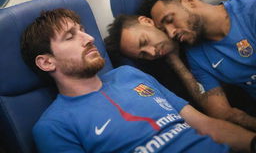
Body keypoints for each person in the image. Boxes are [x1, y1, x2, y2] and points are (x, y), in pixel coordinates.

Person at [20, 8, 256, 153]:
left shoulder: (129, 75)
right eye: (71, 37)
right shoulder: (53, 126)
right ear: (47, 62)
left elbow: (207, 125)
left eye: (83, 30)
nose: (89, 38)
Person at [136, 0, 256, 132]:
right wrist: (173, 57)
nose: (171, 33)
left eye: (170, 20)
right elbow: (221, 113)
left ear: (188, 0)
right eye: (164, 30)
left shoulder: (250, 10)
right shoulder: (197, 55)